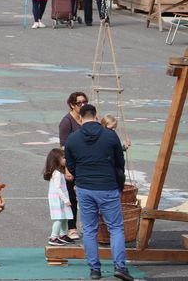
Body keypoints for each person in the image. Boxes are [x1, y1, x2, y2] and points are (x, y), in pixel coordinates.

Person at [64, 104, 134, 281]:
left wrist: (80, 177)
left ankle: (94, 269)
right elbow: (119, 162)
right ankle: (120, 266)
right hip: (107, 186)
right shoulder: (110, 136)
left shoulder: (72, 139)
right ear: (96, 116)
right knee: (116, 228)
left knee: (89, 230)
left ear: (80, 118)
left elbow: (70, 165)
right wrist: (118, 182)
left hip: (85, 187)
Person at [58, 91, 88, 242]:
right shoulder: (67, 122)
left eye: (84, 102)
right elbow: (63, 147)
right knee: (72, 196)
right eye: (79, 103)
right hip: (72, 164)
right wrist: (67, 169)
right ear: (71, 105)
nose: (82, 105)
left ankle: (87, 226)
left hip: (86, 163)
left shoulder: (87, 118)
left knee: (86, 195)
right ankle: (71, 227)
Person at [44, 148, 75, 246]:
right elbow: (57, 188)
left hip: (61, 198)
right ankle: (53, 237)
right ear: (56, 160)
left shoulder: (59, 171)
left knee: (65, 217)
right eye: (63, 158)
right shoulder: (57, 173)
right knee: (58, 218)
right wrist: (66, 200)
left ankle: (63, 235)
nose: (65, 160)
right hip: (57, 199)